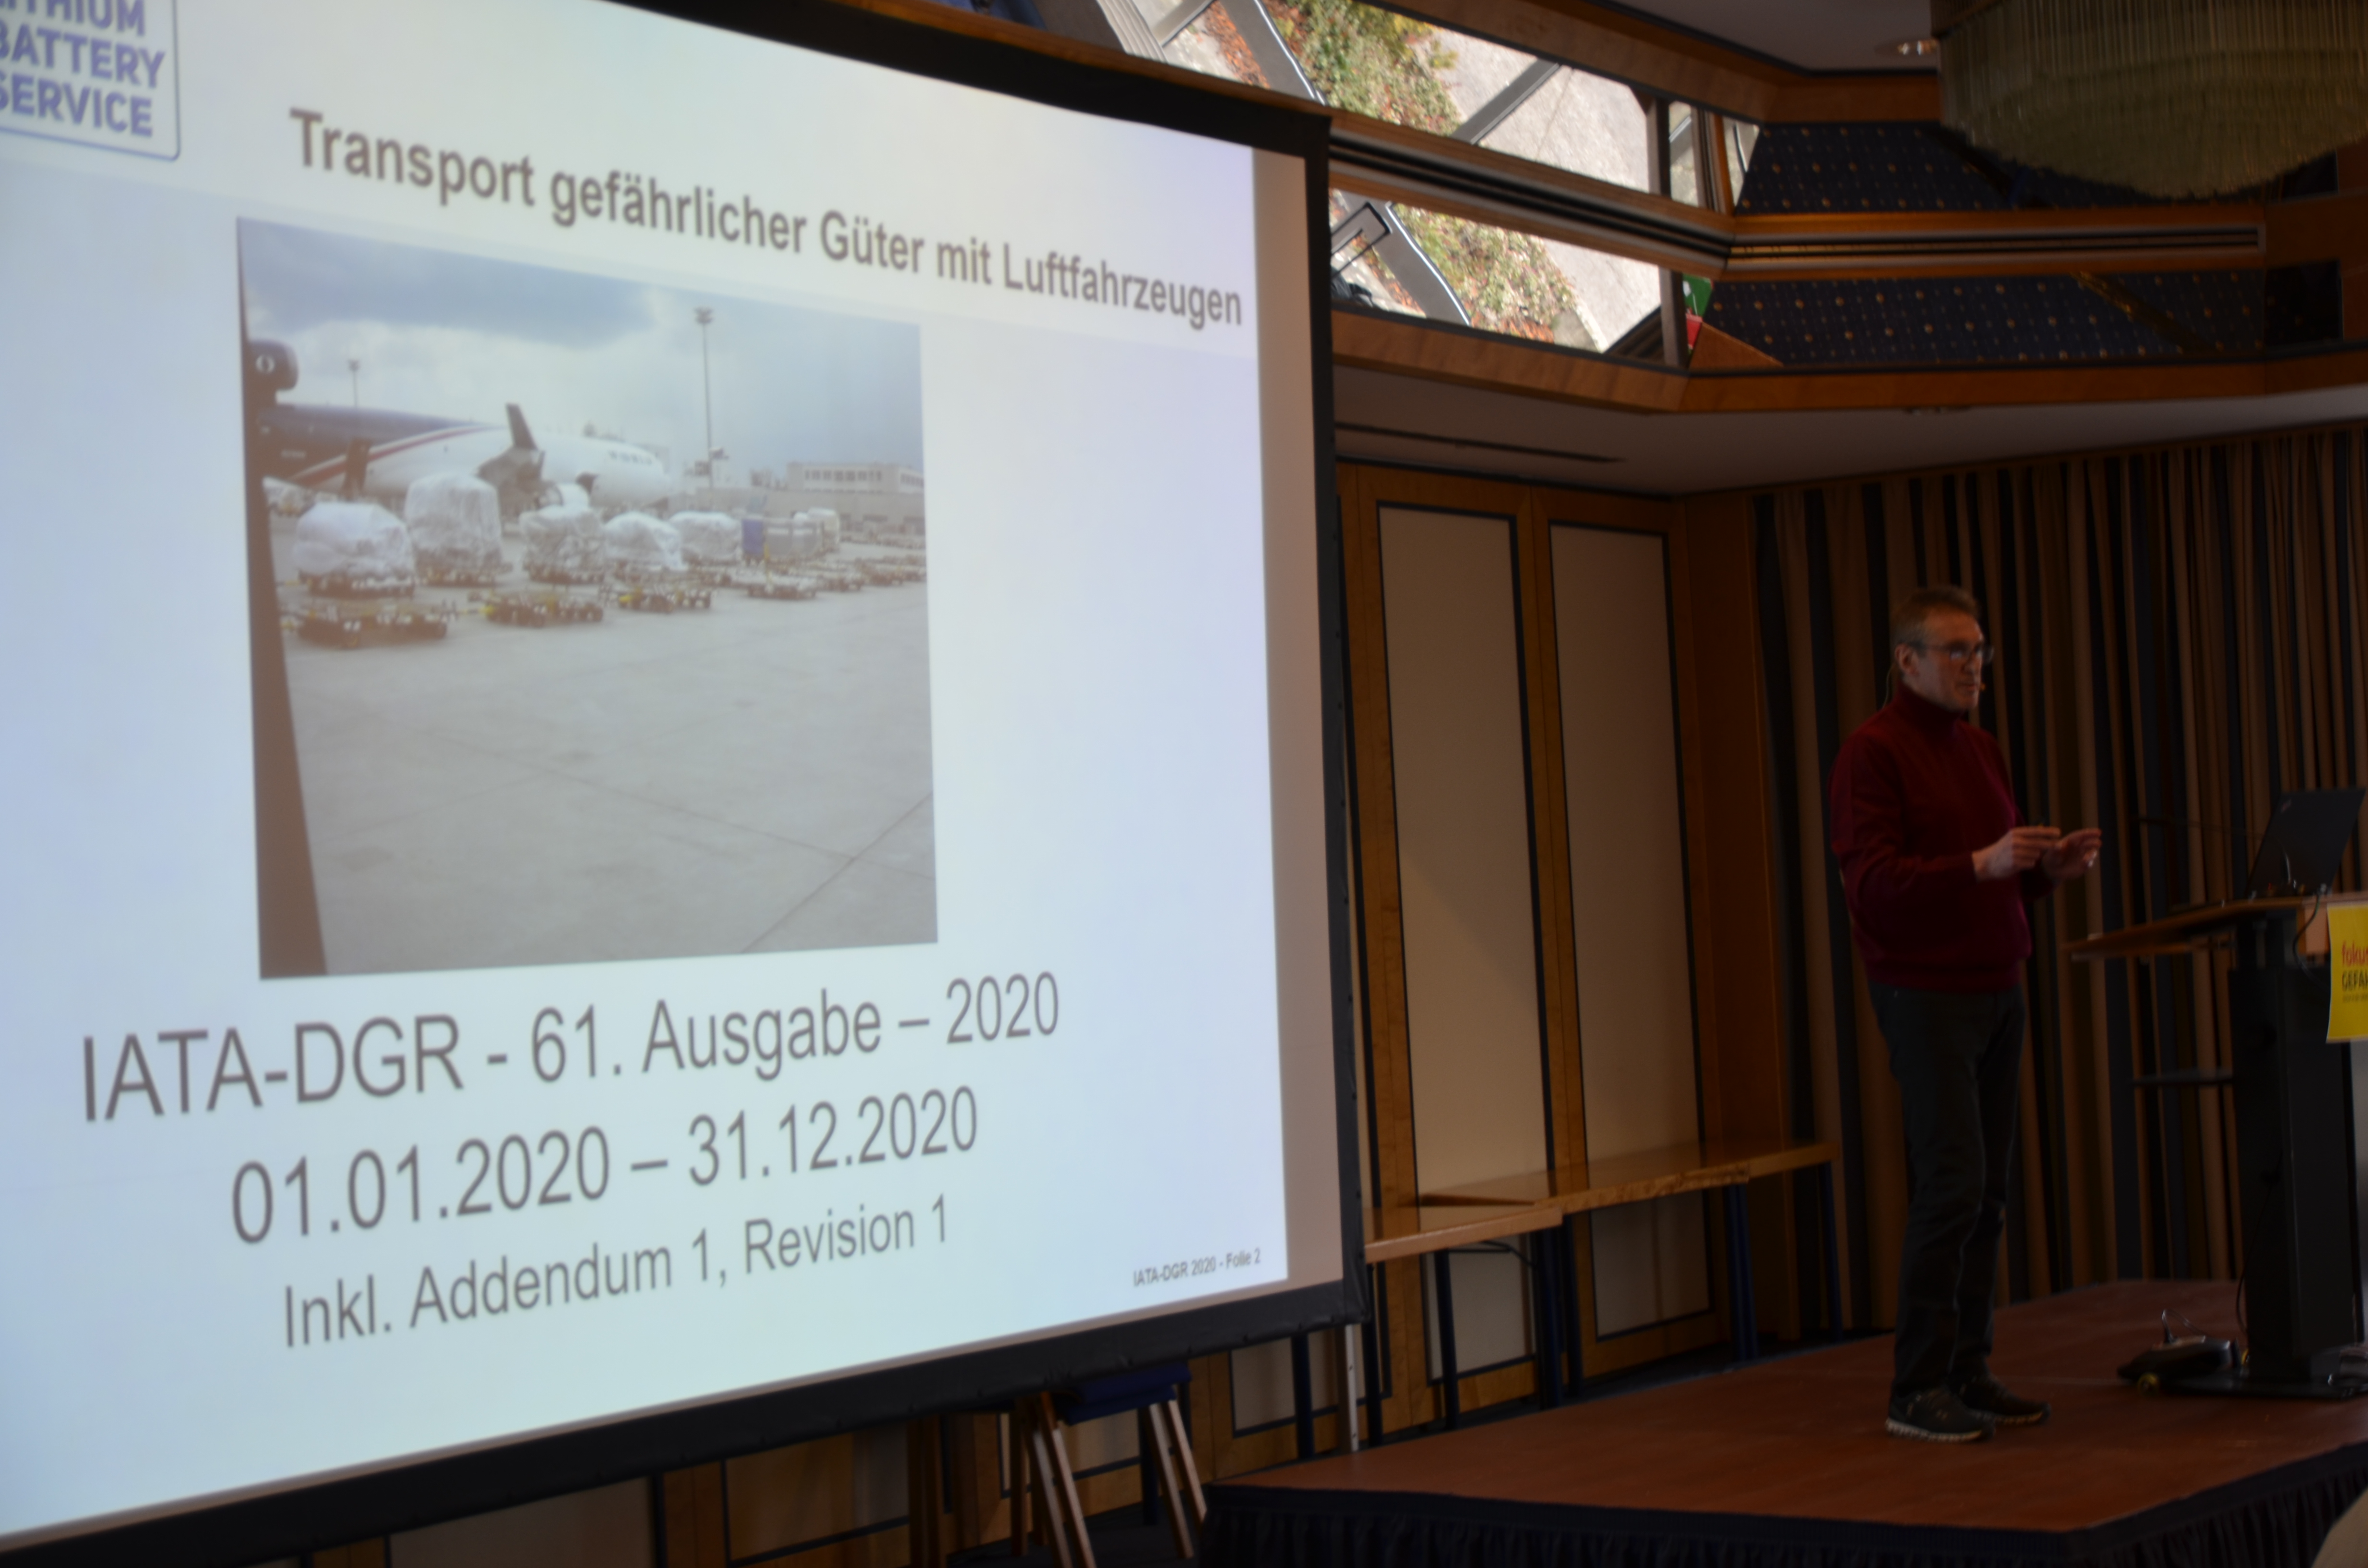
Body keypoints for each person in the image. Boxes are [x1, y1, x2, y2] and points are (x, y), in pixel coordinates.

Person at [1828, 585, 2100, 1444]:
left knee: (1988, 1194)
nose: (1975, 665)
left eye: (1980, 650)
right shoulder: (1872, 754)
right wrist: (1982, 863)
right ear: (1907, 661)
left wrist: (2043, 874)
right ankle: (1915, 1389)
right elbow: (1875, 886)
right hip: (1925, 995)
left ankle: (1968, 1370)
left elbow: (1992, 882)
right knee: (1951, 1185)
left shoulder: (1982, 749)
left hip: (1998, 987)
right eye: (1956, 651)